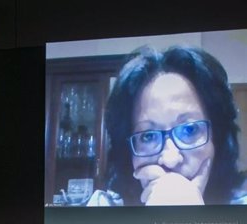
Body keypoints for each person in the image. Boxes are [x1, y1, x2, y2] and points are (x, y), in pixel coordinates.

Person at [92, 45, 245, 206]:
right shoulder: (101, 208)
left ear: (218, 137)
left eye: (189, 130)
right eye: (148, 136)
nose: (170, 160)